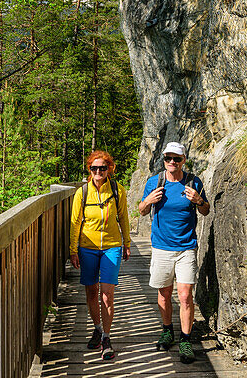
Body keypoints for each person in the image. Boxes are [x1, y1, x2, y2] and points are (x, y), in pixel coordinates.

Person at [138, 141, 209, 364]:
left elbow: (206, 210)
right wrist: (148, 201)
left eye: (176, 159)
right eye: (168, 158)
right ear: (164, 159)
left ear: (183, 160)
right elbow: (141, 211)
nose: (172, 162)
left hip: (187, 247)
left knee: (186, 296)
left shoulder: (193, 182)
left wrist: (198, 200)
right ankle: (167, 330)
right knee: (164, 294)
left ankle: (185, 339)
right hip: (161, 247)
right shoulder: (154, 182)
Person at [69, 150, 131, 360]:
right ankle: (96, 328)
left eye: (102, 168)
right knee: (91, 292)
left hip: (112, 246)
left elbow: (123, 218)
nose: (98, 171)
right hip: (87, 247)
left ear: (109, 169)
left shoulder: (117, 190)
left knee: (107, 293)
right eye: (94, 168)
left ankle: (106, 336)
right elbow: (75, 222)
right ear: (90, 169)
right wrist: (73, 249)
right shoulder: (82, 192)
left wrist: (127, 243)